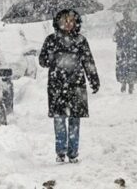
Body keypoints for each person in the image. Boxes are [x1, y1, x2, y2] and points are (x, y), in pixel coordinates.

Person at [39, 9, 100, 163]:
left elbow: (88, 61)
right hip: (57, 85)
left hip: (76, 85)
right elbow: (43, 61)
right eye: (65, 21)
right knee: (59, 119)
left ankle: (73, 152)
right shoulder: (51, 40)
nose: (68, 24)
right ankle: (60, 151)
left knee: (74, 119)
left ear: (76, 23)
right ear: (58, 22)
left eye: (71, 21)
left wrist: (94, 79)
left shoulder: (80, 41)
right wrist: (50, 54)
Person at [113, 10, 137, 94]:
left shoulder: (119, 25)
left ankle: (123, 82)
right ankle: (131, 84)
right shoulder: (135, 25)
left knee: (122, 66)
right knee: (132, 66)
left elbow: (115, 38)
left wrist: (122, 38)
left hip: (121, 49)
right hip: (132, 49)